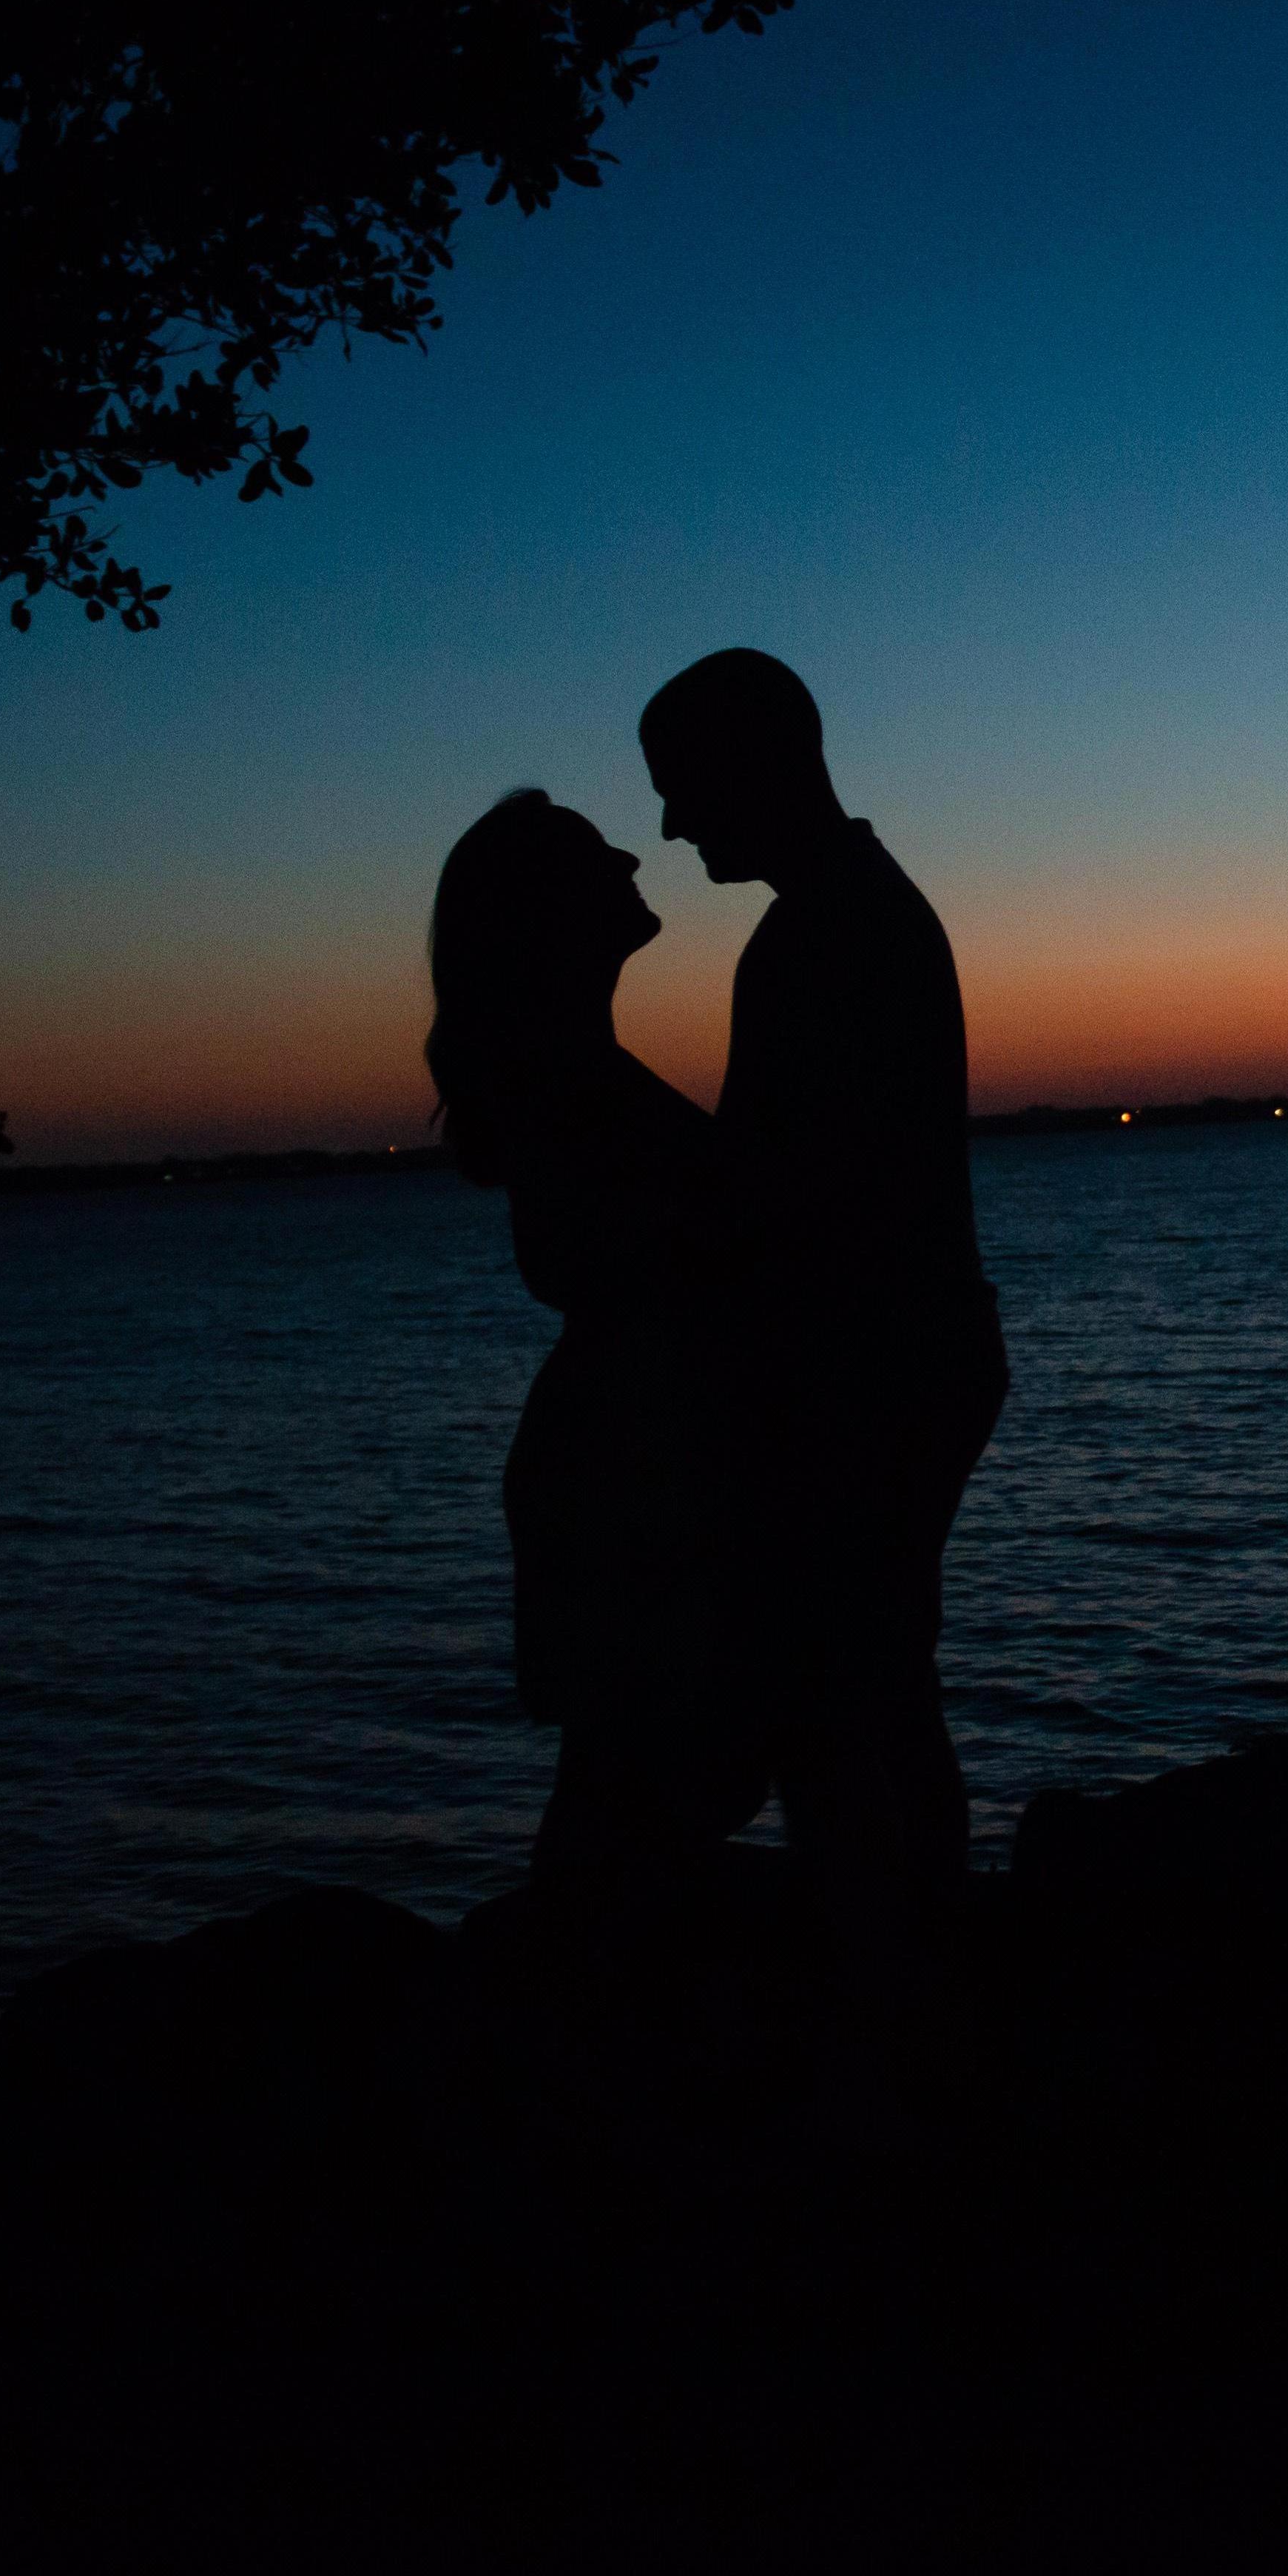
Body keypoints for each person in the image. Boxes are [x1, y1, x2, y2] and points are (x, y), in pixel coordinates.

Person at [637, 648, 1010, 2018]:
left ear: (758, 765)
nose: (671, 824)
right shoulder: (848, 914)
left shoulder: (824, 935)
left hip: (876, 1370)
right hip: (911, 1355)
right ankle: (924, 1966)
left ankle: (891, 1991)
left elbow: (777, 1186)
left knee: (843, 1697)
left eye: (682, 787)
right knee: (879, 1682)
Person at [425, 791, 766, 1909]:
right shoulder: (568, 1086)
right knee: (641, 1776)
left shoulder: (573, 1074)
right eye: (592, 852)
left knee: (644, 1773)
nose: (629, 854)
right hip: (629, 1461)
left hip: (631, 1446)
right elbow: (621, 1257)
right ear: (548, 911)